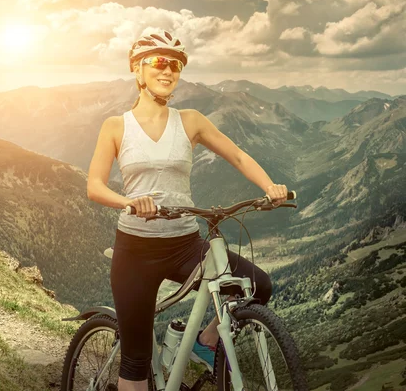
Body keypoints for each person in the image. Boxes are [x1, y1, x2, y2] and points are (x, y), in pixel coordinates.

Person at [86, 30, 288, 391]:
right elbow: (95, 186)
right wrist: (129, 201)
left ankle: (207, 340)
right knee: (135, 362)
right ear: (137, 70)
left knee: (259, 286)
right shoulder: (116, 126)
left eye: (175, 65)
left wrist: (269, 187)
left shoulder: (190, 120)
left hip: (185, 245)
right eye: (159, 62)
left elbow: (237, 155)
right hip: (135, 250)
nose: (168, 71)